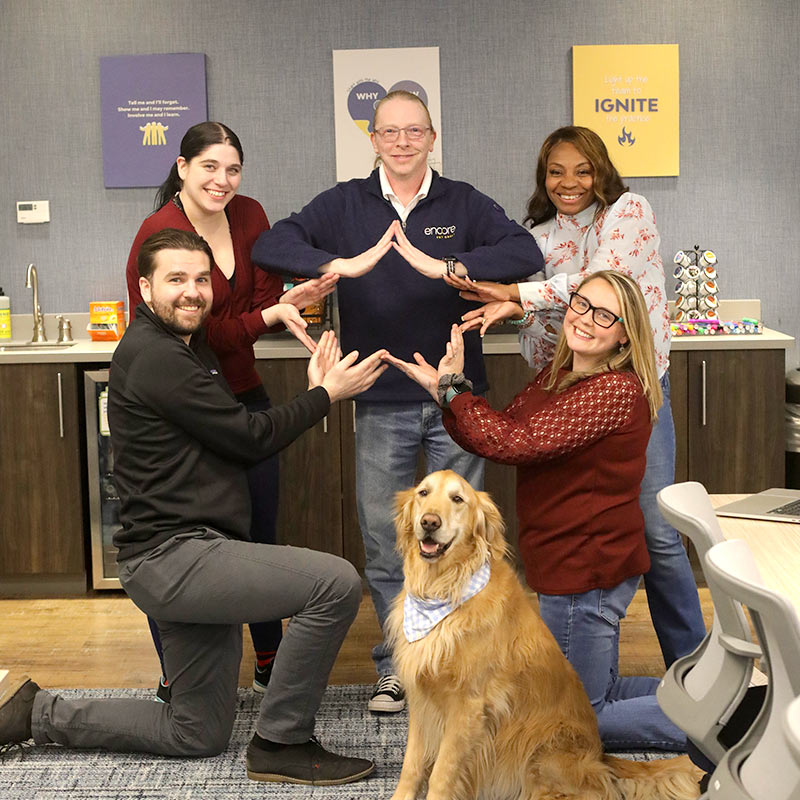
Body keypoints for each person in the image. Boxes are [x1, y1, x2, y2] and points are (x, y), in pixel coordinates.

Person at [0, 228, 384, 785]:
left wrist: (282, 323)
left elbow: (232, 412)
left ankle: (36, 714)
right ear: (144, 287)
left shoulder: (185, 345)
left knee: (195, 732)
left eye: (201, 279)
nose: (192, 291)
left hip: (184, 553)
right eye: (176, 279)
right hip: (175, 558)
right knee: (337, 583)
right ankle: (282, 742)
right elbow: (247, 437)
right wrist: (324, 394)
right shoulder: (157, 356)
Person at [251, 90, 543, 712]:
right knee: (390, 540)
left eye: (415, 131)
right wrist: (343, 264)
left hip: (453, 397)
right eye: (391, 132)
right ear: (374, 139)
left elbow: (526, 253)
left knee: (464, 538)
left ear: (433, 137)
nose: (403, 142)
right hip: (378, 395)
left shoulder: (462, 201)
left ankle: (461, 659)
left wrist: (447, 267)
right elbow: (273, 244)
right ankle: (398, 665)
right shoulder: (345, 204)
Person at [384, 270, 688, 751]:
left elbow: (513, 442)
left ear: (626, 333)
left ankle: (731, 723)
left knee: (573, 721)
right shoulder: (562, 376)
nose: (586, 319)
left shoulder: (613, 390)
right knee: (593, 698)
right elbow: (498, 429)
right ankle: (714, 700)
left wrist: (453, 393)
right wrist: (451, 388)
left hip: (585, 569)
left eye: (605, 315)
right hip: (570, 563)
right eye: (582, 304)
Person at [446, 126, 706, 667]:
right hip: (570, 401)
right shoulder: (538, 235)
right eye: (556, 171)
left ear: (602, 171)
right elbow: (547, 338)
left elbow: (601, 280)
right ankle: (588, 658)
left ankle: (698, 671)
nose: (570, 182)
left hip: (629, 393)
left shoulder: (629, 212)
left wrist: (521, 294)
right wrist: (519, 311)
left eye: (582, 169)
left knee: (657, 532)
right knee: (579, 534)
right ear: (543, 178)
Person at [125, 121, 338, 700]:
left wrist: (289, 304)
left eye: (233, 169)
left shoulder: (249, 215)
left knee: (258, 534)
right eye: (210, 167)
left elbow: (267, 295)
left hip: (241, 389)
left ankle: (268, 661)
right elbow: (191, 334)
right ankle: (178, 678)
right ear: (182, 166)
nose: (223, 181)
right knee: (191, 539)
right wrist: (265, 319)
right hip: (186, 402)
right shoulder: (159, 233)